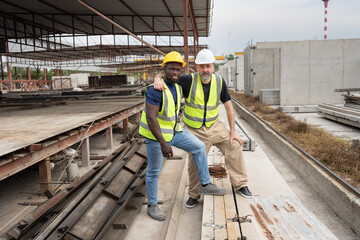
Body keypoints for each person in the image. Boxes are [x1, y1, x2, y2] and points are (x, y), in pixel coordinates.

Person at [154, 49, 252, 209]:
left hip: (215, 127)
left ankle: (241, 184)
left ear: (213, 67)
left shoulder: (219, 82)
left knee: (234, 146)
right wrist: (157, 78)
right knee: (194, 162)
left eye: (208, 66)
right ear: (196, 67)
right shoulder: (187, 80)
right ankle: (194, 194)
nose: (205, 70)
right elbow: (167, 77)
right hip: (194, 130)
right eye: (202, 66)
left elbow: (229, 107)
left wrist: (233, 131)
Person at [139, 51, 226, 221]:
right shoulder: (155, 91)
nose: (175, 72)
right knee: (154, 172)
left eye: (178, 70)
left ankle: (205, 184)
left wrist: (158, 76)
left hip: (174, 131)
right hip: (157, 138)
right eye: (171, 69)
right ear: (164, 68)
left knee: (199, 147)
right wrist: (163, 143)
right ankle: (152, 206)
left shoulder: (177, 86)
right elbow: (151, 118)